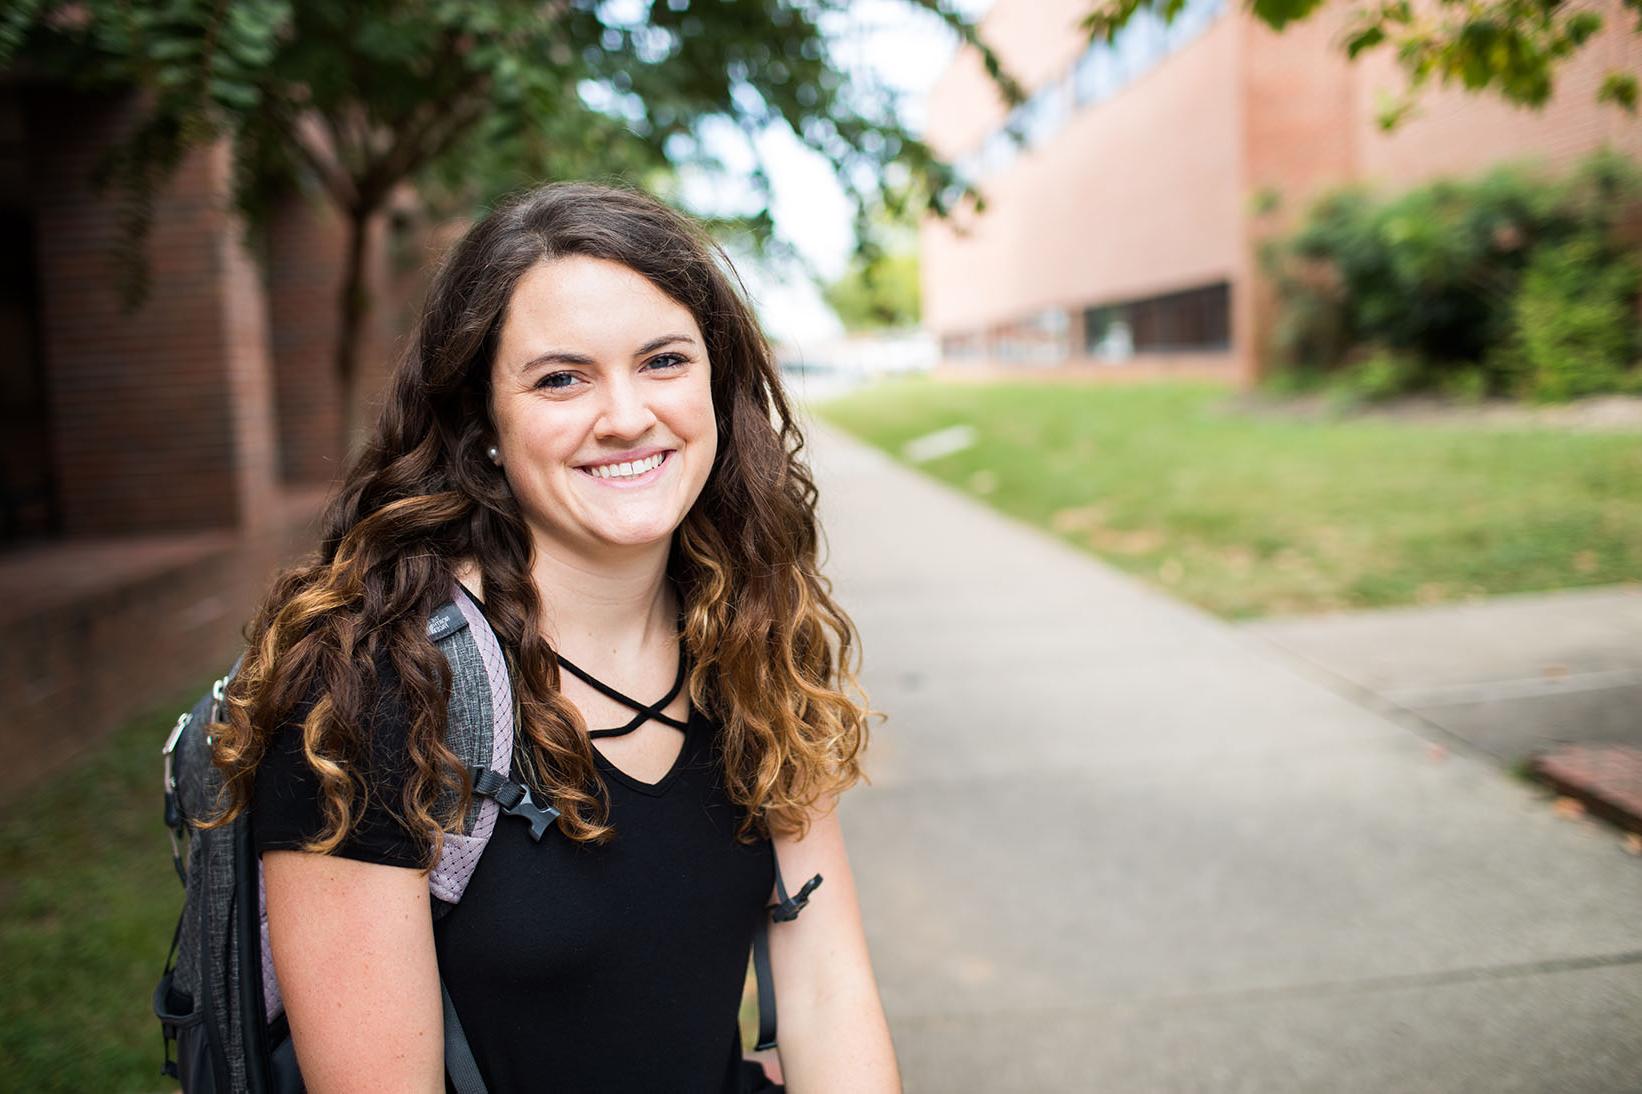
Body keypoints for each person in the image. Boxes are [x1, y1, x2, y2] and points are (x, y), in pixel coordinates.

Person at [208, 181, 900, 1092]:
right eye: (561, 378)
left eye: (662, 361)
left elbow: (825, 992)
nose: (624, 415)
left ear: (717, 385)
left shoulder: (750, 631)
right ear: (483, 422)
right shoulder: (370, 688)